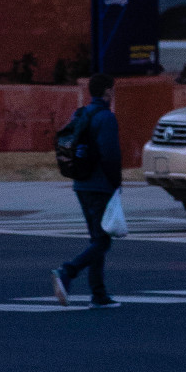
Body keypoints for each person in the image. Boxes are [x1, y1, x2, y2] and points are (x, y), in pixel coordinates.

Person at [53, 72, 124, 308]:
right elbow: (110, 155)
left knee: (96, 239)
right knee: (102, 242)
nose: (113, 94)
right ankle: (68, 271)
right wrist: (116, 183)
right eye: (112, 90)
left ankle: (99, 294)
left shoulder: (80, 113)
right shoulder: (106, 118)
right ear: (107, 92)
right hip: (100, 186)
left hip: (81, 184)